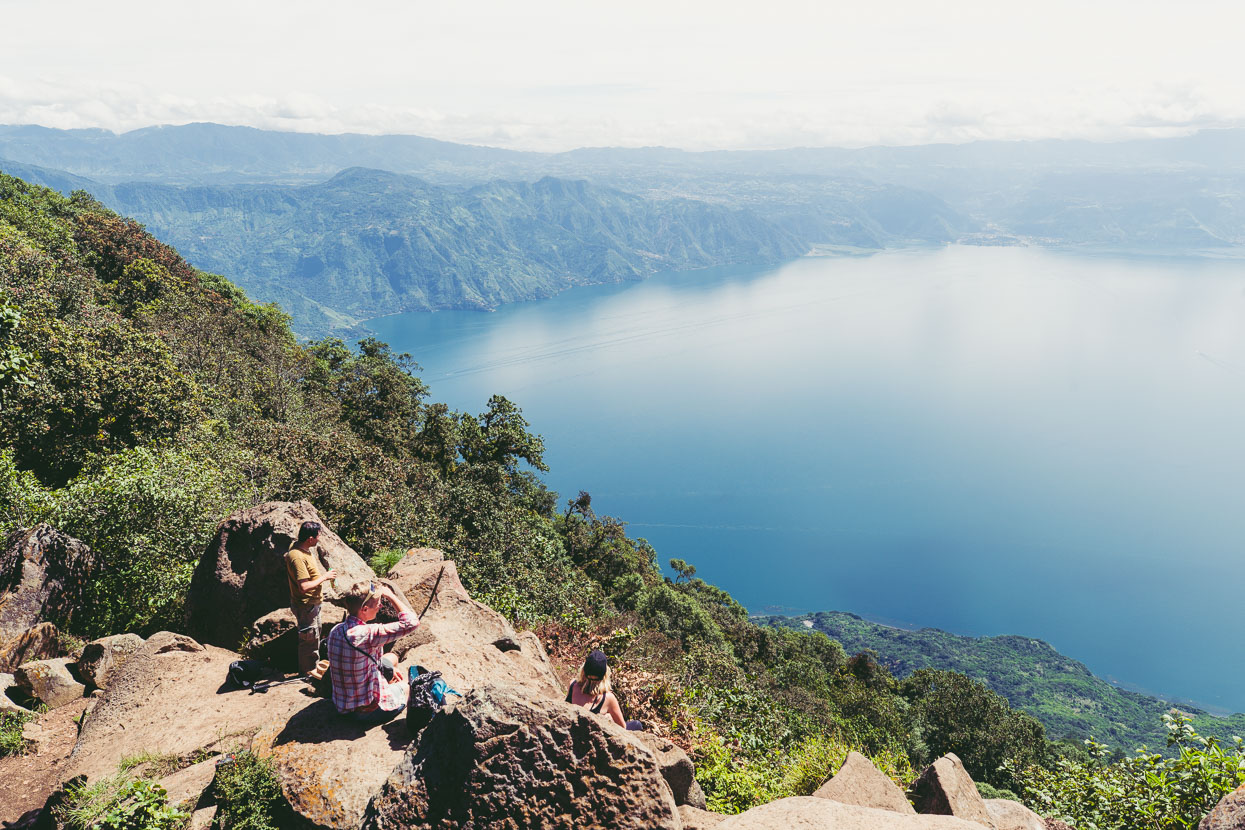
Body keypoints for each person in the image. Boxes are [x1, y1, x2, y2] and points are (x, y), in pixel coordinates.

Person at [328, 580, 419, 723]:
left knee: (391, 657)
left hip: (342, 704)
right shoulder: (369, 633)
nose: (380, 606)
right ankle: (394, 692)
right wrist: (391, 596)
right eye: (378, 604)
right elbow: (412, 623)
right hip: (365, 712)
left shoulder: (336, 630)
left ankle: (389, 677)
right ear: (364, 609)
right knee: (411, 685)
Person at [284, 521, 337, 675]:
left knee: (314, 638)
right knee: (309, 640)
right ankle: (308, 673)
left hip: (312, 604)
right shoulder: (298, 557)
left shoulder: (299, 548)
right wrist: (325, 577)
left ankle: (313, 669)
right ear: (310, 539)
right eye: (318, 536)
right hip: (306, 605)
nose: (319, 539)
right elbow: (304, 586)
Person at [566, 649, 643, 730]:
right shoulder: (607, 698)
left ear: (583, 670)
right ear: (605, 675)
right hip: (592, 734)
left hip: (574, 729)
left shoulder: (573, 685)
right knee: (637, 725)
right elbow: (622, 727)